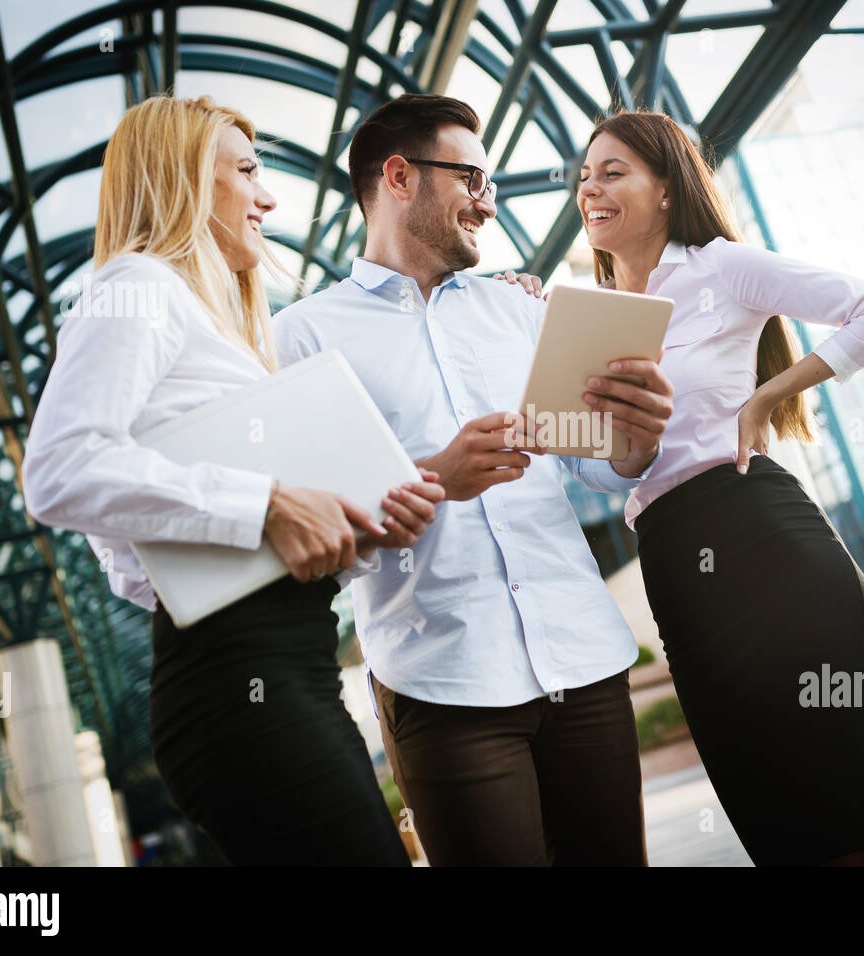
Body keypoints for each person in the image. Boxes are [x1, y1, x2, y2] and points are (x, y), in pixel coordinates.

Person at [21, 95, 444, 866]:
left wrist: (357, 524)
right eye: (247, 171)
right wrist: (267, 506)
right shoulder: (137, 284)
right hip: (234, 678)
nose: (270, 197)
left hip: (284, 666)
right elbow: (59, 468)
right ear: (183, 179)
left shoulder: (214, 325)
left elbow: (141, 556)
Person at [272, 93, 674, 866]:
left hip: (582, 662)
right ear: (399, 176)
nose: (487, 205)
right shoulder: (304, 338)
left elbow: (597, 467)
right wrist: (430, 478)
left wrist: (634, 438)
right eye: (472, 180)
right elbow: (312, 538)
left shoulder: (522, 311)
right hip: (444, 681)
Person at [575, 110, 864, 866]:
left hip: (766, 544)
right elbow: (611, 462)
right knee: (782, 830)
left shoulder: (721, 267)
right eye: (584, 178)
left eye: (612, 172)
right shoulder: (596, 314)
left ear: (667, 191)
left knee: (859, 823)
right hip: (678, 568)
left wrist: (770, 393)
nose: (591, 190)